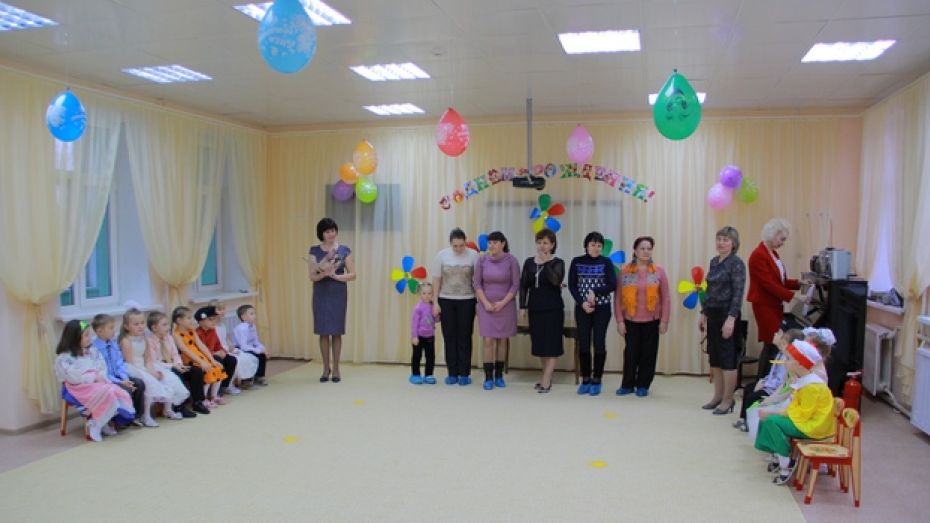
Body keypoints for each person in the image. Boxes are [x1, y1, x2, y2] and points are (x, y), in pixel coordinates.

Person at [754, 340, 835, 485]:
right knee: (767, 419)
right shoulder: (804, 381)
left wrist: (775, 414)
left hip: (814, 426)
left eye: (789, 359)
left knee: (772, 421)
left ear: (800, 363)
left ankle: (785, 464)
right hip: (806, 421)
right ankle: (778, 456)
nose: (786, 362)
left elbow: (801, 414)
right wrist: (775, 412)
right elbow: (795, 408)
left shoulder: (812, 386)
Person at [54, 320, 135, 441]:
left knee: (116, 391)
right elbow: (73, 377)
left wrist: (99, 376)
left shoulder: (92, 351)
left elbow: (102, 366)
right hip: (77, 387)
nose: (90, 338)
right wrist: (92, 377)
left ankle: (102, 422)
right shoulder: (64, 358)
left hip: (97, 383)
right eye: (86, 335)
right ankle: (96, 424)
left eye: (89, 334)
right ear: (75, 338)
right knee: (109, 391)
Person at [614, 236, 670, 397]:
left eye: (649, 248)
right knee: (631, 354)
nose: (646, 252)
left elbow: (666, 298)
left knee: (648, 354)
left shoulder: (659, 271)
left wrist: (664, 320)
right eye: (642, 248)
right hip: (630, 320)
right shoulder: (625, 271)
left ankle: (643, 385)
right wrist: (619, 321)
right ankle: (627, 384)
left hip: (652, 321)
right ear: (635, 251)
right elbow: (617, 298)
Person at [699, 226, 746, 415]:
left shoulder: (737, 263)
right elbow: (709, 291)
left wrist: (731, 319)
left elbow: (738, 293)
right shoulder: (714, 261)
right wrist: (703, 313)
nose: (721, 243)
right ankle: (717, 396)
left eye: (726, 240)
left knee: (728, 360)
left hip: (728, 315)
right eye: (719, 239)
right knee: (715, 358)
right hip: (712, 314)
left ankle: (728, 400)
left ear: (733, 243)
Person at [748, 219, 801, 378]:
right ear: (773, 234)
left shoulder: (773, 254)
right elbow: (768, 284)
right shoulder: (758, 255)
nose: (783, 243)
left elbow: (780, 281)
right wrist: (794, 296)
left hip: (773, 304)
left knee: (773, 344)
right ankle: (762, 380)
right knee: (773, 343)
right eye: (782, 239)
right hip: (764, 305)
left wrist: (799, 283)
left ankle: (765, 380)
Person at [307, 217, 356, 383]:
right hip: (321, 293)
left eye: (333, 230)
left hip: (338, 293)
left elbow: (353, 274)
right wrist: (323, 274)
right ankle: (325, 368)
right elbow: (312, 276)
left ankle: (336, 369)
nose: (331, 234)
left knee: (336, 331)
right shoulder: (314, 251)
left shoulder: (344, 250)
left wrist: (335, 276)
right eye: (327, 231)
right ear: (321, 233)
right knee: (323, 332)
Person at [568, 231, 617, 396]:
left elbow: (612, 284)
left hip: (602, 309)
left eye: (599, 245)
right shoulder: (577, 261)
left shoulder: (606, 262)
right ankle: (586, 379)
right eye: (593, 244)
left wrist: (594, 291)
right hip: (582, 308)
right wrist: (582, 302)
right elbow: (572, 285)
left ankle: (597, 379)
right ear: (586, 246)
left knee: (599, 342)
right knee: (584, 343)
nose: (596, 248)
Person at [431, 228, 480, 386]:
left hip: (467, 300)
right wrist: (435, 302)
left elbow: (478, 281)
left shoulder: (474, 255)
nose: (458, 249)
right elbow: (436, 280)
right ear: (450, 243)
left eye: (461, 245)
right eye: (455, 246)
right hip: (446, 300)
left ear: (465, 242)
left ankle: (464, 373)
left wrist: (479, 302)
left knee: (465, 336)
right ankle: (452, 373)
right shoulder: (441, 255)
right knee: (449, 336)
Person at [519, 228, 565, 393]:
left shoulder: (558, 262)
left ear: (552, 245)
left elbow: (556, 281)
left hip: (553, 309)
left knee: (551, 344)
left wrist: (546, 263)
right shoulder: (529, 262)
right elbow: (523, 285)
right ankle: (546, 375)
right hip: (535, 308)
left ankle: (546, 380)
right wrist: (522, 306)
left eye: (545, 243)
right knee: (540, 344)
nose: (542, 246)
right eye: (539, 242)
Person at [474, 231, 520, 391]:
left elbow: (515, 285)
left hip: (506, 306)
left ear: (503, 244)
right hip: (486, 306)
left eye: (495, 242)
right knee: (488, 340)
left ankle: (499, 375)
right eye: (490, 243)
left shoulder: (511, 260)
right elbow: (477, 284)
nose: (491, 245)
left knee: (502, 340)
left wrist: (502, 303)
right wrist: (485, 302)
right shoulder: (482, 260)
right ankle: (488, 377)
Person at [118, 308, 181, 424]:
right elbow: (130, 363)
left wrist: (153, 372)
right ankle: (145, 416)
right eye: (136, 324)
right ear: (126, 326)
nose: (140, 326)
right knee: (149, 383)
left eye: (142, 323)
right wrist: (148, 374)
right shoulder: (126, 341)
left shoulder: (144, 339)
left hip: (143, 367)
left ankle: (168, 410)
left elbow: (148, 360)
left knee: (167, 377)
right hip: (132, 368)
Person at [734, 328, 804, 432]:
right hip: (772, 386)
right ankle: (745, 418)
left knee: (753, 397)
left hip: (774, 389)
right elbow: (772, 374)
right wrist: (763, 381)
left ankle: (750, 422)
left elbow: (781, 381)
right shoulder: (780, 354)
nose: (775, 334)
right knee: (749, 388)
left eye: (778, 333)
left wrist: (765, 385)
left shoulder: (787, 360)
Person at [91, 313, 147, 426]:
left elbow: (119, 362)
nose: (114, 331)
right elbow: (101, 371)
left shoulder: (113, 344)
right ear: (99, 331)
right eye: (111, 328)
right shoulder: (94, 348)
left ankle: (136, 416)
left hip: (119, 376)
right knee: (126, 389)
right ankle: (121, 420)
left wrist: (125, 378)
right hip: (106, 379)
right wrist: (120, 382)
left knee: (139, 384)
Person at [147, 311, 202, 417]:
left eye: (168, 324)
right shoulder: (149, 341)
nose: (168, 327)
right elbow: (154, 362)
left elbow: (175, 354)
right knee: (176, 372)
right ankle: (179, 407)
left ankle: (197, 402)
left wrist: (179, 364)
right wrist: (174, 366)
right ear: (154, 328)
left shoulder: (169, 337)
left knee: (196, 370)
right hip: (161, 367)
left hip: (173, 364)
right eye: (164, 325)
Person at [172, 306, 227, 409]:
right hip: (189, 358)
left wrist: (212, 360)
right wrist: (201, 362)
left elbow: (201, 345)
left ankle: (214, 396)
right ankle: (203, 399)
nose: (191, 320)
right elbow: (185, 350)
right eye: (188, 318)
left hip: (199, 356)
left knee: (217, 367)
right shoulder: (176, 334)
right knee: (207, 371)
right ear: (179, 320)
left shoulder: (191, 330)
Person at [211, 300, 258, 387]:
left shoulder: (222, 324)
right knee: (236, 360)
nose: (222, 311)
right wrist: (225, 348)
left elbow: (226, 338)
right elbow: (215, 342)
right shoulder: (212, 327)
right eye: (219, 309)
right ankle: (229, 384)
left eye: (223, 309)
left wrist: (231, 345)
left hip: (226, 347)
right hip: (220, 349)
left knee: (247, 357)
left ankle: (245, 381)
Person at [195, 306, 239, 395]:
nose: (214, 321)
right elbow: (200, 351)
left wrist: (223, 351)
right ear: (201, 322)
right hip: (205, 358)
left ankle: (224, 386)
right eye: (210, 319)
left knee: (231, 360)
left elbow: (218, 345)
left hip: (214, 355)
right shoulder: (197, 333)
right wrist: (215, 353)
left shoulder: (212, 331)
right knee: (217, 360)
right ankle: (214, 392)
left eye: (214, 319)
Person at [409, 283, 438, 385]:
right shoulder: (418, 308)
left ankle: (428, 375)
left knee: (430, 357)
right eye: (424, 293)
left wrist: (437, 314)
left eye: (429, 293)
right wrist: (414, 336)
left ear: (433, 294)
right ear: (420, 294)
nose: (427, 296)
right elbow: (414, 324)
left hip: (430, 336)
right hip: (419, 337)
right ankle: (415, 374)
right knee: (417, 356)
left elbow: (437, 320)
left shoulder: (433, 306)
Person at [232, 305, 268, 386]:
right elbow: (243, 346)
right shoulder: (242, 328)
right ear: (243, 317)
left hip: (249, 347)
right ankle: (246, 380)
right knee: (250, 357)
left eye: (254, 313)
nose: (254, 316)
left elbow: (255, 341)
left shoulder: (253, 326)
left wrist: (262, 348)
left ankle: (259, 376)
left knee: (262, 355)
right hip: (240, 348)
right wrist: (257, 350)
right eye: (251, 314)